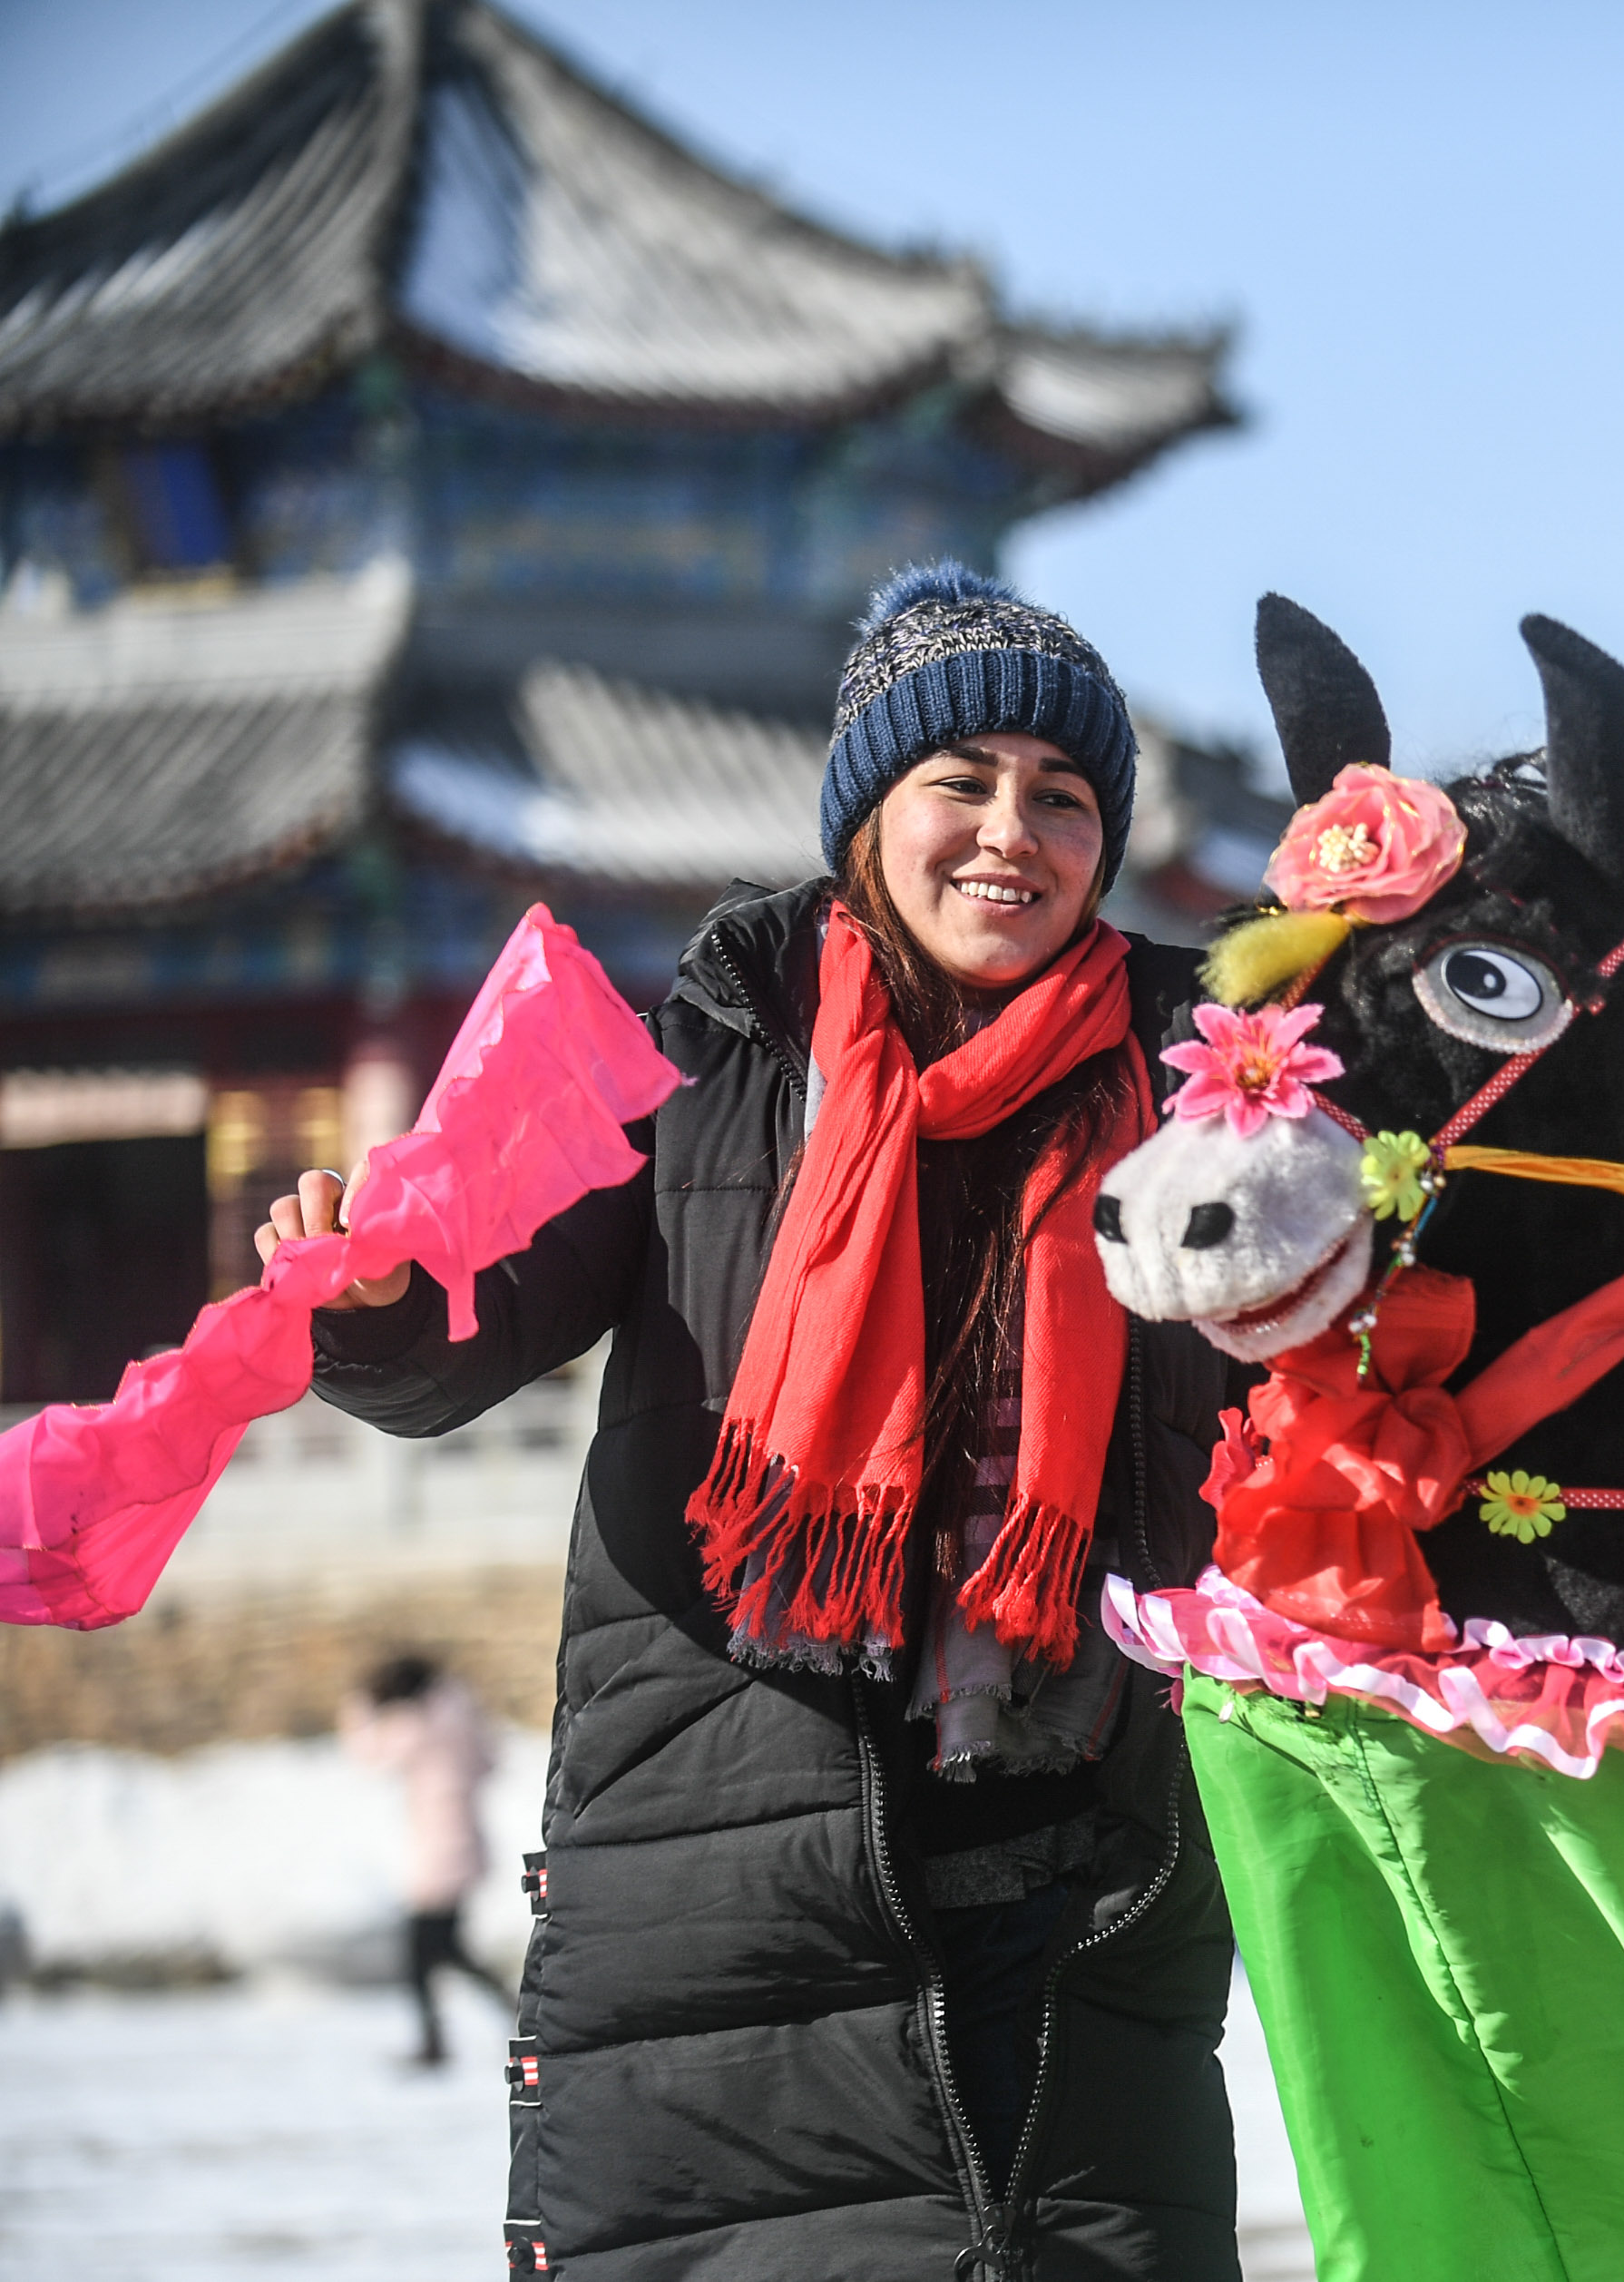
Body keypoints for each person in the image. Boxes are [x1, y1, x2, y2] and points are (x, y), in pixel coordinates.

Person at [266, 565, 1247, 2279]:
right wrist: (371, 1309)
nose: (1013, 830)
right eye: (963, 779)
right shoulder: (702, 1062)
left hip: (1094, 1902)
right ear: (869, 809)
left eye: (1066, 796)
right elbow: (467, 1328)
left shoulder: (1207, 1094)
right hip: (730, 1898)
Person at [340, 1650, 505, 2066]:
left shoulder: (421, 1724)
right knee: (445, 1948)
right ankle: (513, 2015)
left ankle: (439, 2042)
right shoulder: (460, 1715)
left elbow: (371, 1755)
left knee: (422, 1951)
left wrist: (358, 1708)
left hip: (439, 1847)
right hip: (464, 1836)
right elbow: (490, 1762)